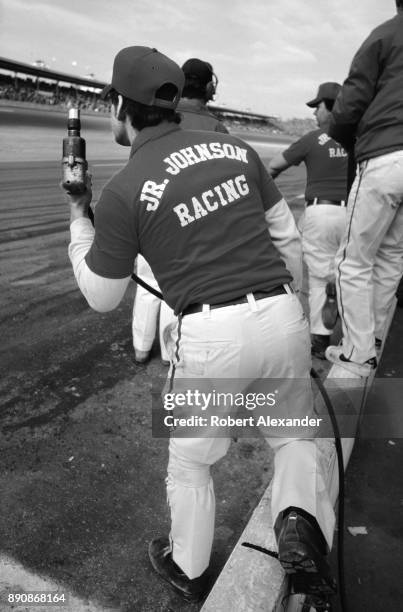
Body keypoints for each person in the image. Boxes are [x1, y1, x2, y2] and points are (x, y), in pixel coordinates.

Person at [64, 46, 336, 603]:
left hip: (212, 336)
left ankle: (187, 566)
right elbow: (285, 236)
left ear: (121, 105)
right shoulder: (237, 150)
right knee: (293, 437)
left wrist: (78, 217)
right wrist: (291, 309)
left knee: (191, 461)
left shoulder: (124, 187)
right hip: (281, 313)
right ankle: (300, 521)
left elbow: (101, 295)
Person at [132, 58, 228, 365]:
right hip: (194, 219)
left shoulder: (157, 117)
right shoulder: (216, 126)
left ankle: (140, 348)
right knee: (178, 288)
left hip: (151, 210)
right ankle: (168, 354)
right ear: (209, 87)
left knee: (148, 284)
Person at [325, 0, 403, 377]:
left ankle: (357, 351)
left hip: (387, 156)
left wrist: (340, 135)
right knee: (390, 259)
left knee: (352, 262)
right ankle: (371, 342)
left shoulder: (386, 33)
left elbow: (350, 103)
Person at [269, 83, 348, 359]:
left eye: (318, 106)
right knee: (354, 273)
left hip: (321, 212)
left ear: (331, 106)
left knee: (317, 277)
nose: (315, 112)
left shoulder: (314, 138)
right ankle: (353, 335)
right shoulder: (360, 138)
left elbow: (273, 166)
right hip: (354, 213)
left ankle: (320, 339)